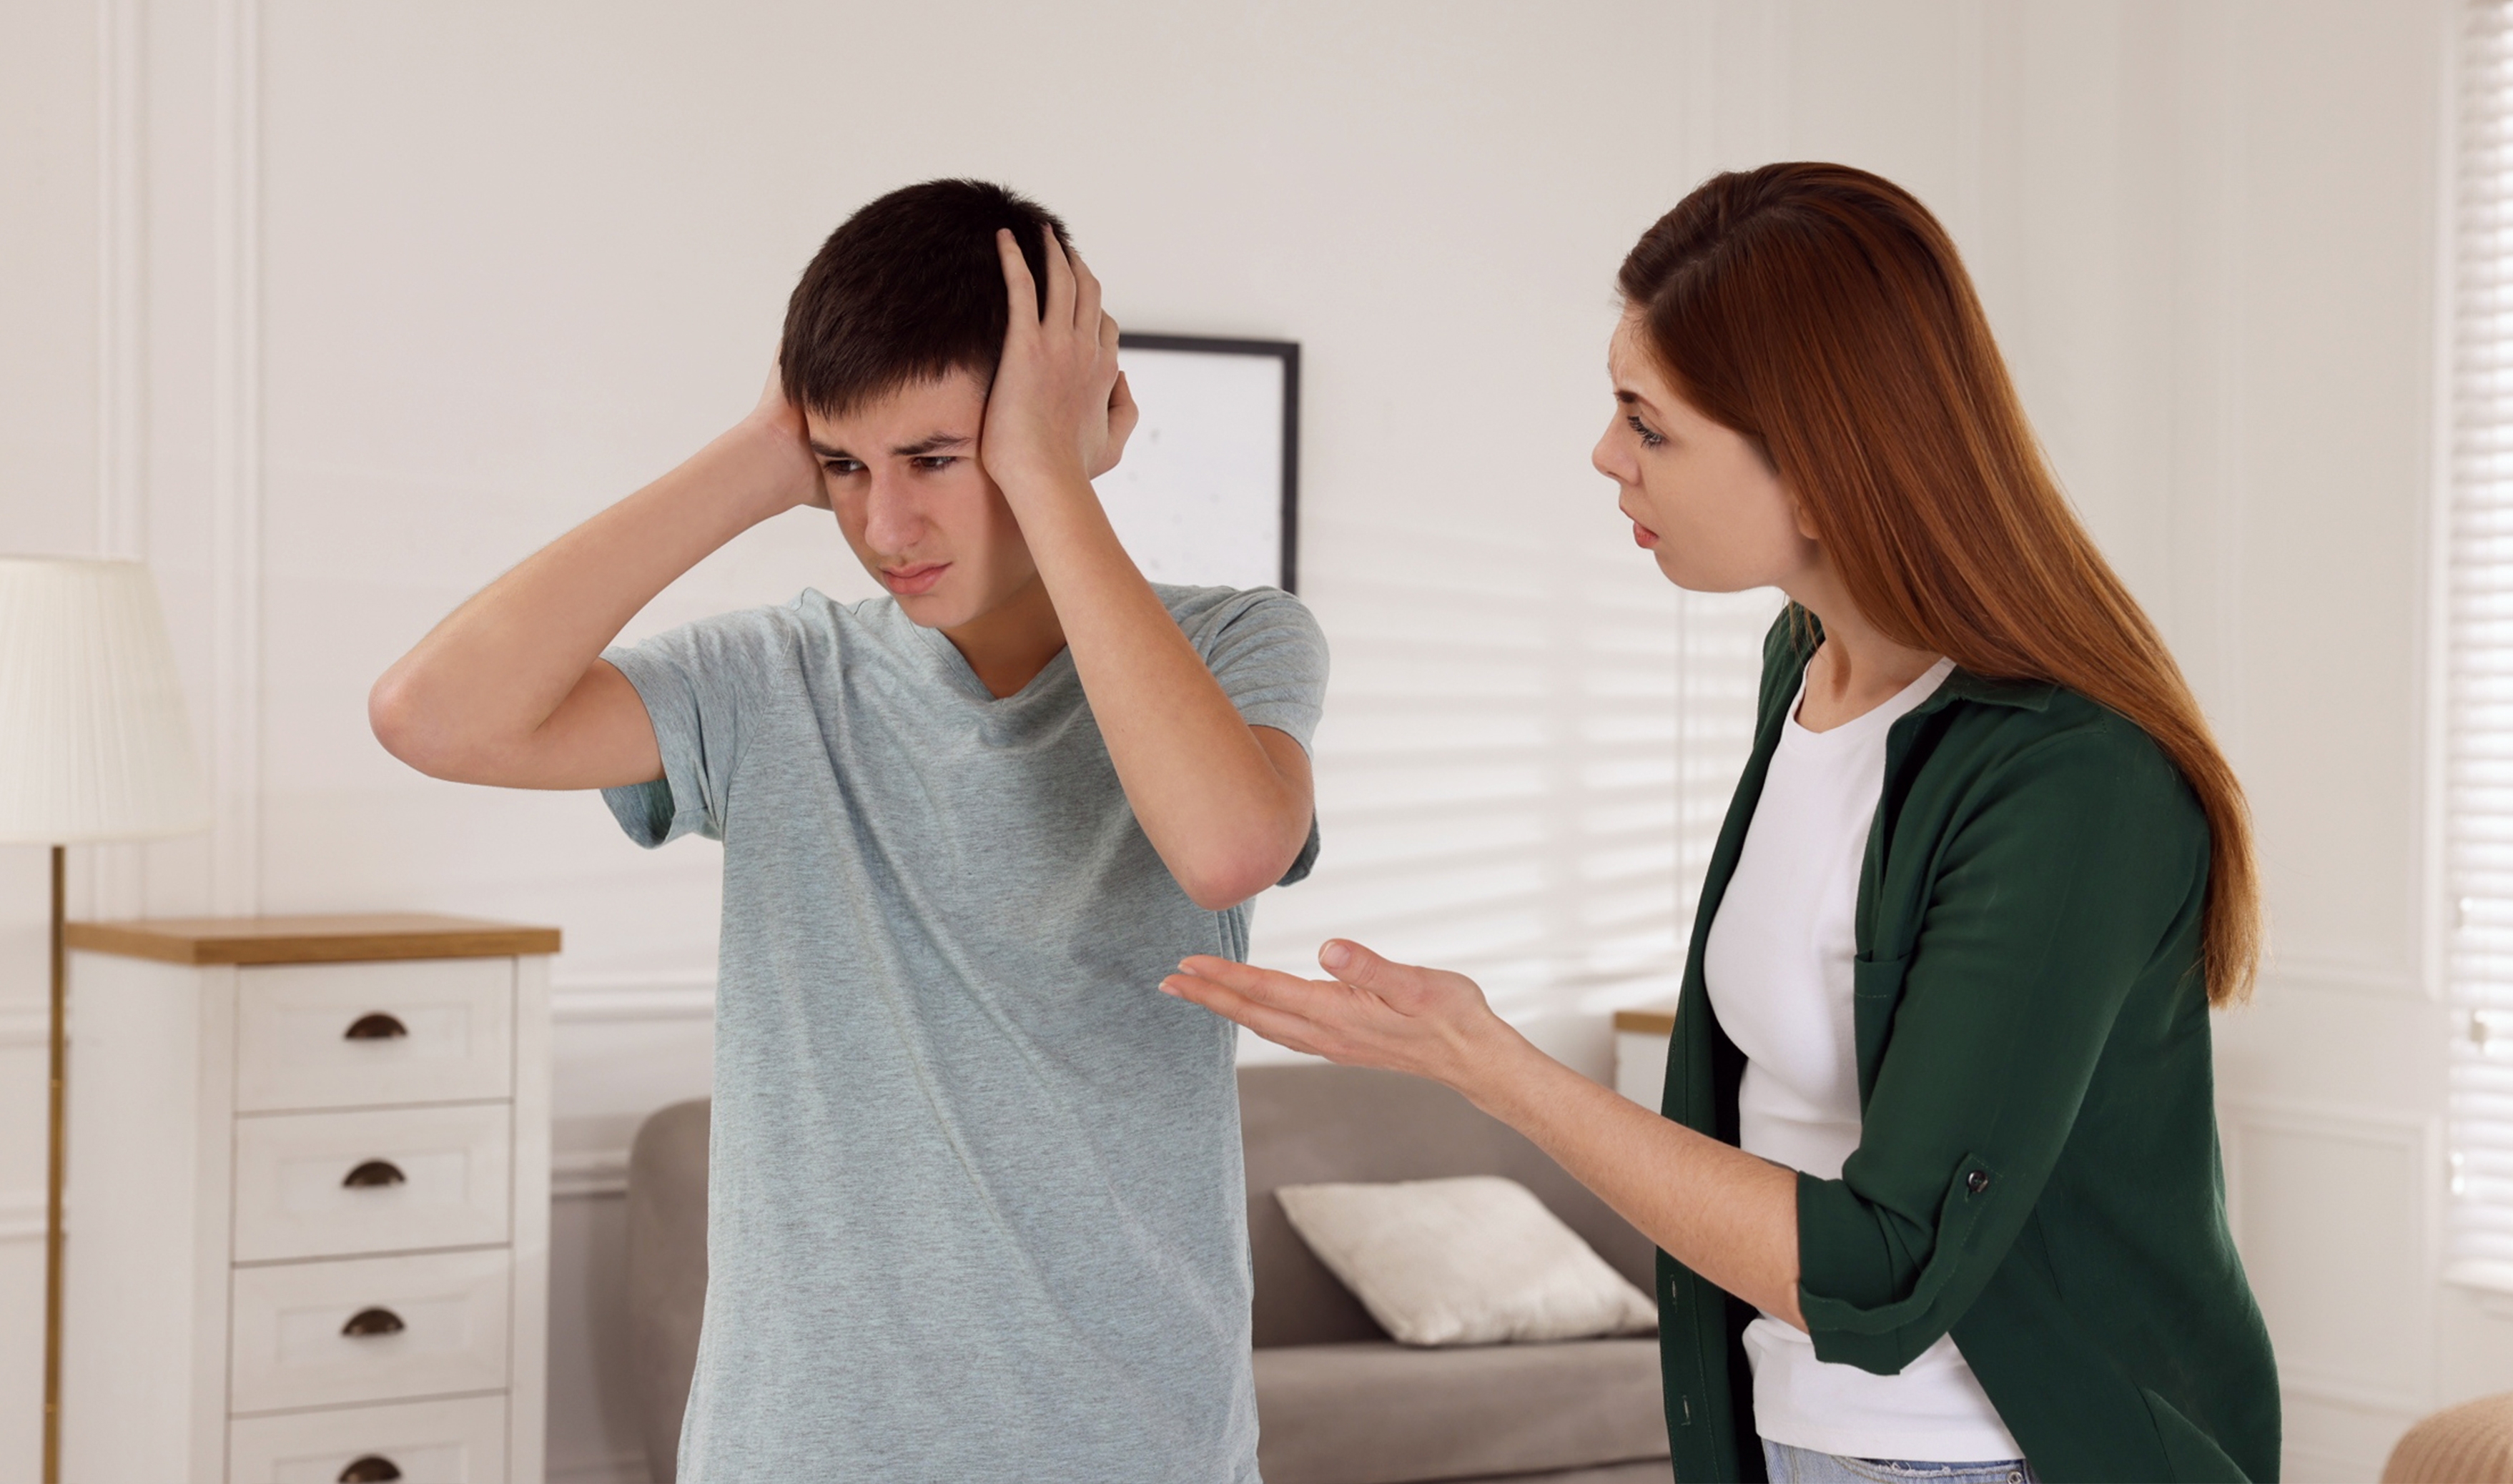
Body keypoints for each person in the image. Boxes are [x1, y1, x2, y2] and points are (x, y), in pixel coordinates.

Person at [1163, 162, 2278, 1484]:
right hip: (1786, 1437)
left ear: (1818, 469)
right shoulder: (1800, 670)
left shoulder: (2073, 782)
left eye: (1649, 423)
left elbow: (1891, 1265)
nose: (1605, 454)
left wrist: (1487, 1064)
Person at [370, 179, 1325, 1483]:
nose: (886, 527)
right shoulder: (776, 682)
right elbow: (432, 717)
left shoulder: (1236, 645)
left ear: (1060, 421)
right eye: (845, 468)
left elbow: (1224, 846)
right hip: (801, 1450)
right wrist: (765, 453)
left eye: (934, 458)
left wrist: (1047, 474)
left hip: (1130, 1443)